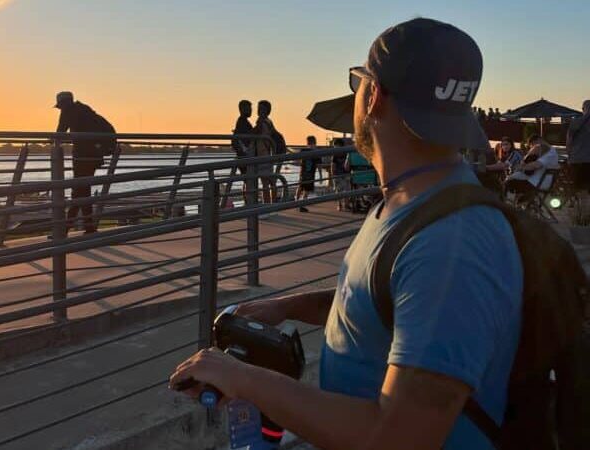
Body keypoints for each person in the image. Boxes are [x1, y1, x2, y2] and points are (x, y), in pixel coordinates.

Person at [170, 18, 522, 450]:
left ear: (373, 97)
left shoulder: (451, 242)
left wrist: (244, 380)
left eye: (360, 83)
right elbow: (388, 304)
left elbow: (398, 439)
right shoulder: (409, 202)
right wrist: (286, 306)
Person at [55, 91, 115, 234]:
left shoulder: (67, 112)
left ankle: (66, 229)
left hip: (83, 156)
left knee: (79, 190)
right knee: (83, 189)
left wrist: (52, 141)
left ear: (62, 104)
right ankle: (87, 226)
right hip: (94, 156)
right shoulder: (85, 110)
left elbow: (60, 133)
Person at [504, 135, 560, 202]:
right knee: (511, 179)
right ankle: (522, 202)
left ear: (538, 140)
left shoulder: (548, 153)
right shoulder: (551, 151)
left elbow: (534, 166)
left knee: (508, 182)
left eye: (533, 145)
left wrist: (521, 166)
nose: (534, 148)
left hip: (536, 183)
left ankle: (512, 204)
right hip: (540, 181)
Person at [253, 100, 277, 204]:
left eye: (261, 108)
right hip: (268, 153)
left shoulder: (262, 121)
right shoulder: (269, 121)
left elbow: (255, 133)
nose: (258, 110)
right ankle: (273, 202)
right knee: (271, 181)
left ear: (266, 111)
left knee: (265, 183)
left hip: (262, 154)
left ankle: (267, 204)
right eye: (258, 108)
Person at [567, 100, 590, 196]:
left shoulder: (575, 122)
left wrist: (570, 156)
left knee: (580, 189)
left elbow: (568, 141)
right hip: (583, 160)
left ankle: (582, 209)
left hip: (577, 160)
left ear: (583, 109)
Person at [232, 100, 253, 202]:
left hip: (244, 155)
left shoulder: (242, 121)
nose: (251, 111)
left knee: (247, 180)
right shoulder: (242, 122)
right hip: (245, 155)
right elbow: (240, 139)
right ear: (242, 109)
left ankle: (248, 200)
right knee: (249, 180)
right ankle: (249, 201)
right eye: (248, 108)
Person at [296, 136, 320, 212]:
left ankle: (298, 203)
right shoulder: (315, 151)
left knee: (301, 187)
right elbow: (318, 164)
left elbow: (298, 160)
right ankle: (300, 204)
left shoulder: (303, 150)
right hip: (308, 173)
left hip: (304, 173)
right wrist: (320, 175)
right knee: (305, 189)